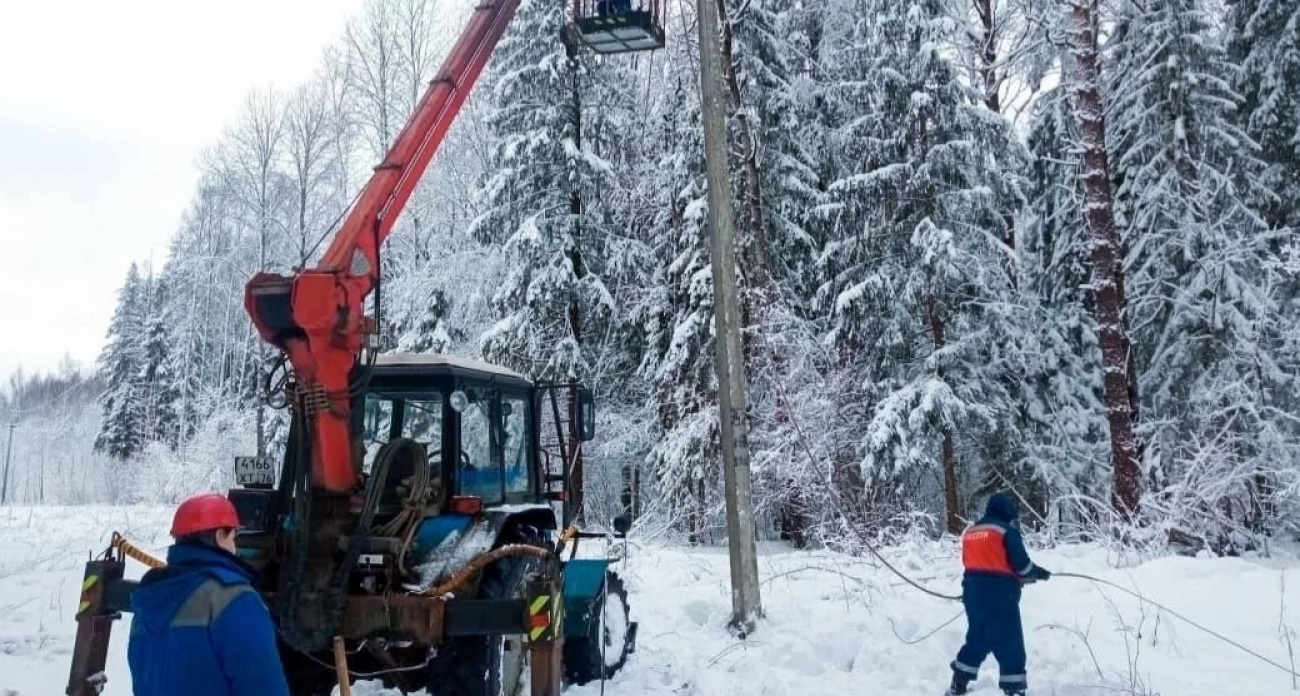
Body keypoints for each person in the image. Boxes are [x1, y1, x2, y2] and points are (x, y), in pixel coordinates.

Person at [127, 493, 290, 696]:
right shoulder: (233, 598)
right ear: (219, 536)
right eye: (233, 538)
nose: (235, 547)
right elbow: (264, 687)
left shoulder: (148, 598)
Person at [947, 493, 1051, 696]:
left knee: (978, 637)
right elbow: (1022, 567)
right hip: (1000, 595)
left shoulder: (971, 531)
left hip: (972, 593)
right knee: (1009, 640)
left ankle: (959, 681)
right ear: (1006, 513)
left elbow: (973, 563)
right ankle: (1014, 689)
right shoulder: (1006, 531)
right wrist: (1037, 573)